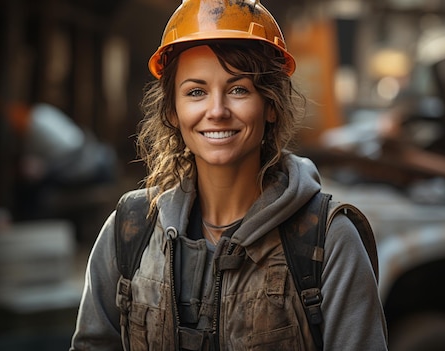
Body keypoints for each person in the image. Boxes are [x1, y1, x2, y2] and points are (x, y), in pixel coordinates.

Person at [70, 0, 387, 350]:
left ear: (269, 106)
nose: (217, 111)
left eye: (238, 89)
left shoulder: (326, 241)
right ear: (173, 111)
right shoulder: (129, 231)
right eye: (196, 92)